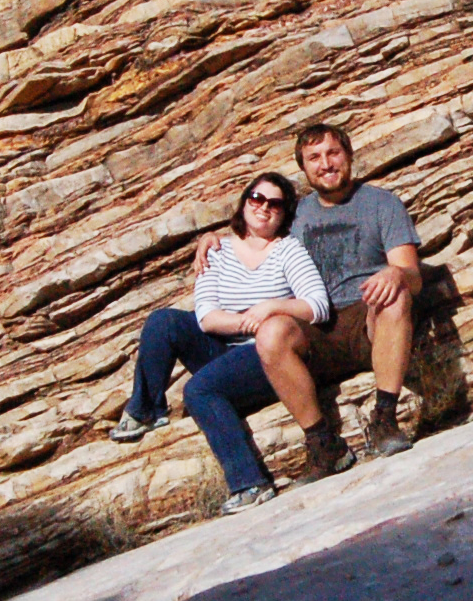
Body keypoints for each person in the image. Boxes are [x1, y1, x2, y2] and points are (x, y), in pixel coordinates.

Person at [111, 172, 329, 513]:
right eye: (257, 198)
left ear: (285, 214)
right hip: (224, 344)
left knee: (198, 390)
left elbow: (317, 306)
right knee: (163, 322)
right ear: (244, 202)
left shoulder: (289, 250)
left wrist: (270, 308)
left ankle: (251, 484)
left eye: (275, 204)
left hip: (269, 355)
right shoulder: (217, 250)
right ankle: (145, 410)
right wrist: (248, 319)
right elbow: (206, 316)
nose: (264, 208)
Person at [256, 122, 422, 474]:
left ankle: (384, 419)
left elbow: (413, 277)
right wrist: (210, 240)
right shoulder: (295, 215)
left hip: (367, 321)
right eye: (314, 157)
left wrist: (396, 273)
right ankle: (323, 444)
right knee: (270, 333)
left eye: (333, 153)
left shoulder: (382, 203)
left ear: (348, 156)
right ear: (303, 168)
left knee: (395, 296)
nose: (326, 163)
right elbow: (248, 234)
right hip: (317, 327)